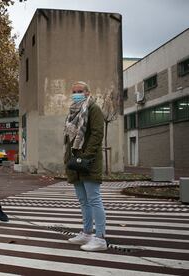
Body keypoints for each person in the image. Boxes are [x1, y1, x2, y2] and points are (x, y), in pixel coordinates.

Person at [63, 81, 107, 251]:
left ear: (88, 92)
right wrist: (69, 159)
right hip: (75, 162)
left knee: (94, 199)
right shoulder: (73, 111)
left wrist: (85, 156)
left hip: (89, 162)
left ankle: (100, 238)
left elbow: (97, 134)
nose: (76, 94)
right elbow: (69, 139)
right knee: (83, 201)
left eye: (80, 91)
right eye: (74, 91)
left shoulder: (93, 109)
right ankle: (87, 233)